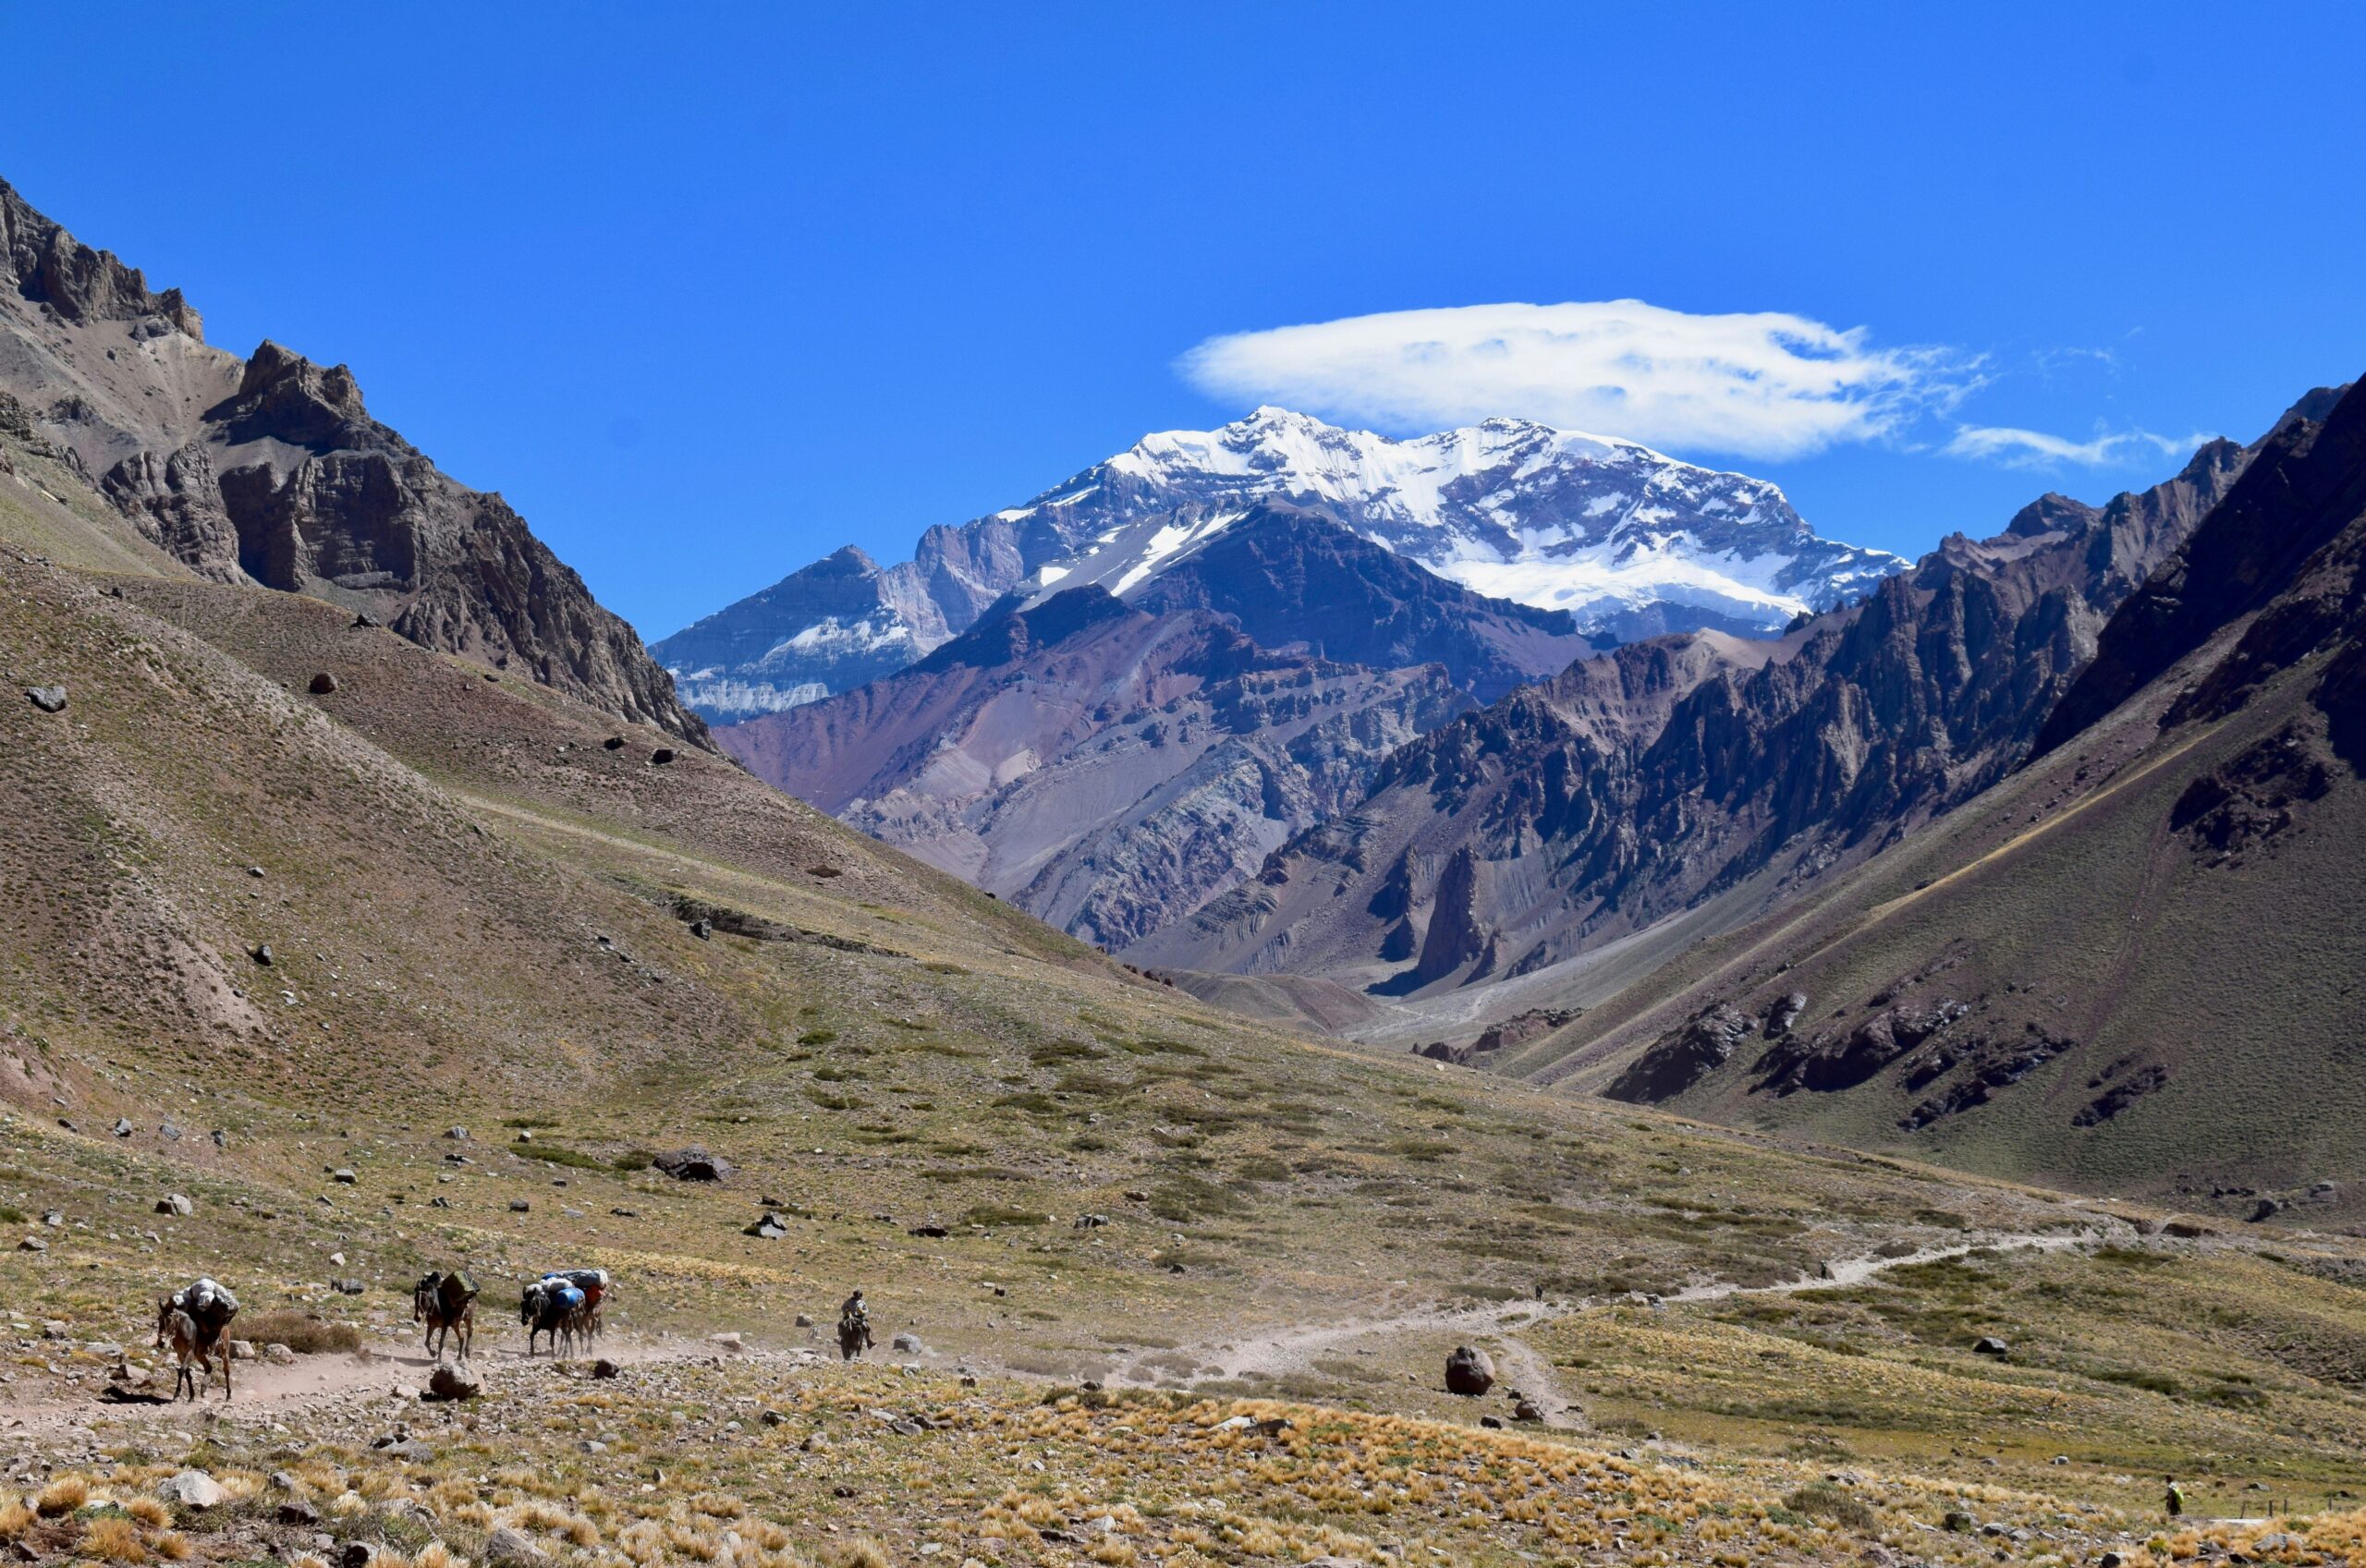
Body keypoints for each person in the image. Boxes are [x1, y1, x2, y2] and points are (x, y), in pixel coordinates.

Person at [837, 1288, 873, 1362]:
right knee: (841, 1324)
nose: (857, 1296)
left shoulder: (862, 1302)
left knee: (868, 1328)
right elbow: (843, 1307)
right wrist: (847, 1312)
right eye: (856, 1295)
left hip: (860, 1319)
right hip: (850, 1318)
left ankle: (869, 1341)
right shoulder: (849, 1301)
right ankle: (839, 1337)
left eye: (858, 1295)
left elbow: (867, 1310)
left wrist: (862, 1311)